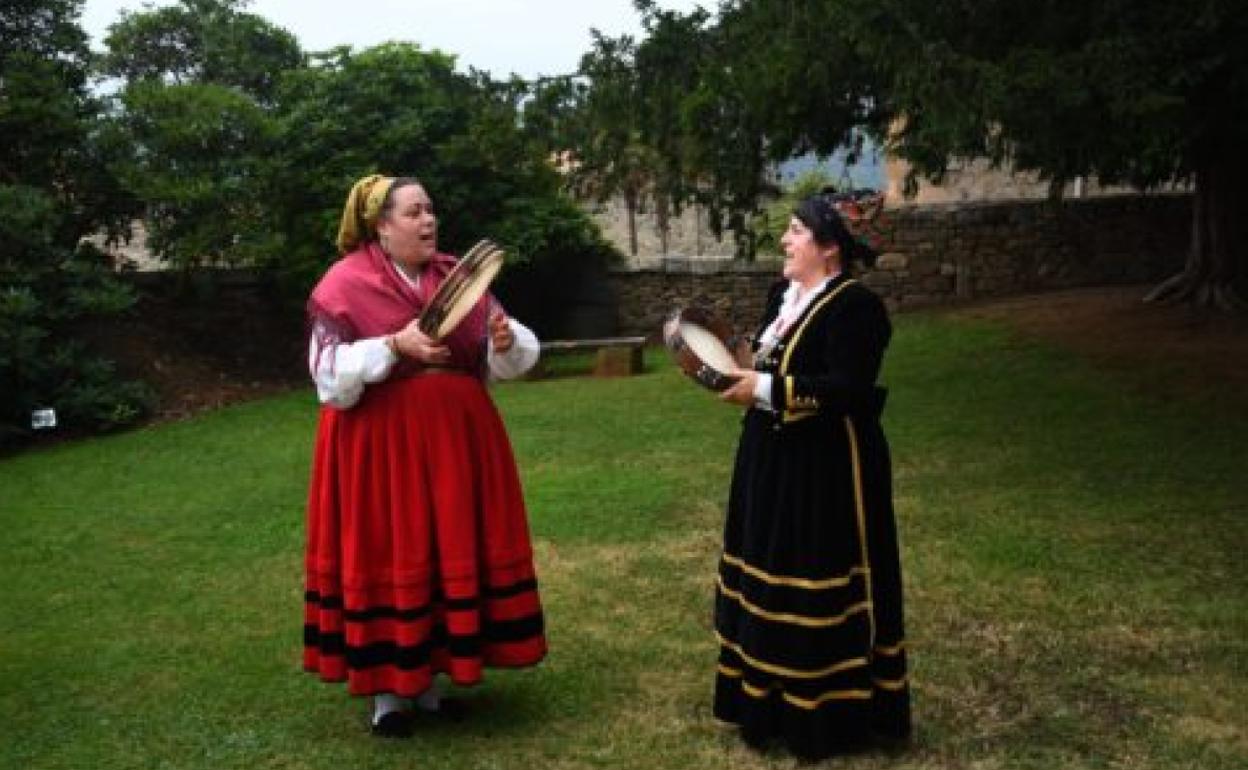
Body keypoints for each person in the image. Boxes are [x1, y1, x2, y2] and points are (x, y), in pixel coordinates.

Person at [302, 174, 546, 736]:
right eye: (414, 213)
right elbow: (327, 376)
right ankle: (389, 695)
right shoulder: (344, 283)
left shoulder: (457, 278)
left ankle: (432, 685)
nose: (429, 220)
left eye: (431, 209)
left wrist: (507, 344)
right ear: (381, 227)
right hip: (379, 451)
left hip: (457, 446)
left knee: (446, 550)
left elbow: (499, 354)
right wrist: (393, 344)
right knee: (394, 552)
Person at [713, 192, 911, 759]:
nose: (784, 240)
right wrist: (737, 368)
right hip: (770, 458)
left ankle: (824, 717)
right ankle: (765, 705)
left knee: (814, 571)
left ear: (828, 248)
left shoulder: (858, 309)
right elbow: (768, 363)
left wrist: (767, 389)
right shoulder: (783, 294)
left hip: (826, 466)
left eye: (796, 231)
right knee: (767, 564)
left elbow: (850, 388)